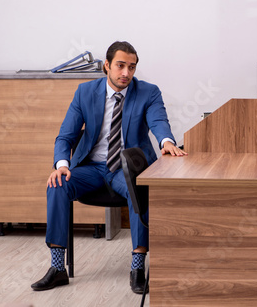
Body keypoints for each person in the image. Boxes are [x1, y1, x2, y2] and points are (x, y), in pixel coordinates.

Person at [31, 41, 187, 294]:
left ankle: (137, 267)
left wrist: (166, 142)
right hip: (90, 167)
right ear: (107, 65)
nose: (126, 73)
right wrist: (61, 164)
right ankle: (57, 268)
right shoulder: (85, 92)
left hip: (125, 169)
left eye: (132, 67)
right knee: (57, 183)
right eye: (120, 66)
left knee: (141, 186)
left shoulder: (148, 92)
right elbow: (65, 136)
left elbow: (158, 121)